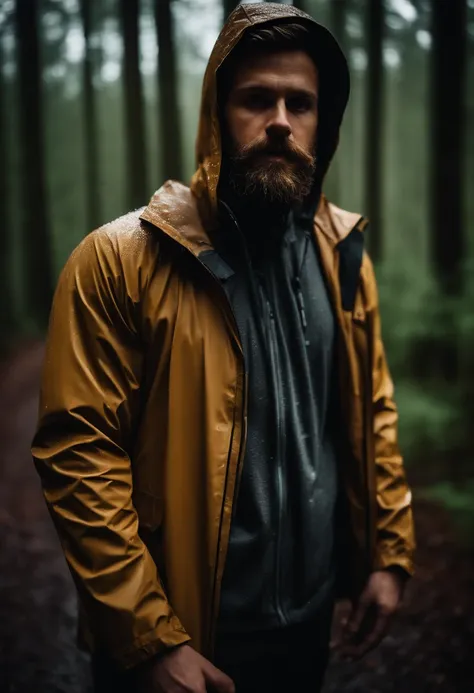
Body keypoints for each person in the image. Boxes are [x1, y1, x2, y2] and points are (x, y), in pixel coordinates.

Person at [32, 3, 415, 692]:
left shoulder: (344, 254)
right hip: (183, 642)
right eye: (256, 99)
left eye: (301, 103)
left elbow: (371, 409)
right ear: (216, 113)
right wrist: (148, 640)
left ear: (323, 126)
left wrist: (388, 552)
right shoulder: (118, 261)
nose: (279, 120)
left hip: (306, 629)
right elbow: (79, 454)